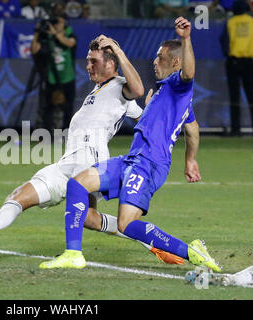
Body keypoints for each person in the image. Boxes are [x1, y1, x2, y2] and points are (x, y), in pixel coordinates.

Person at [0, 34, 184, 266]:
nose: (88, 66)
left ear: (111, 62)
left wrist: (118, 50)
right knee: (23, 198)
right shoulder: (97, 92)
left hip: (91, 161)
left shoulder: (120, 85)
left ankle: (135, 245)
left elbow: (138, 91)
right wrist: (148, 112)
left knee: (88, 218)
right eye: (87, 61)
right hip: (66, 163)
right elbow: (144, 120)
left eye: (93, 61)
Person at [40, 17, 222, 272]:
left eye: (159, 57)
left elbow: (190, 73)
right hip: (131, 160)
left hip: (148, 165)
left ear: (176, 62)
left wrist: (185, 38)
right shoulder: (167, 95)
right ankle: (73, 253)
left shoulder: (180, 86)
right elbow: (192, 129)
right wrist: (190, 160)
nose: (154, 61)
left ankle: (190, 251)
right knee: (78, 183)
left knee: (127, 225)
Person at [30, 16, 76, 133]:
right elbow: (34, 50)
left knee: (68, 109)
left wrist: (55, 33)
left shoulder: (69, 33)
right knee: (48, 108)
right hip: (52, 78)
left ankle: (67, 135)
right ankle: (48, 135)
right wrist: (37, 33)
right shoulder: (47, 37)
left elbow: (69, 43)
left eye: (59, 22)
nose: (56, 24)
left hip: (67, 77)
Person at [220, 0, 253, 136]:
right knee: (252, 97)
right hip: (250, 62)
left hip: (234, 62)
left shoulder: (230, 22)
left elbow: (223, 41)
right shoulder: (252, 21)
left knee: (234, 97)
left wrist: (229, 56)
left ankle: (235, 130)